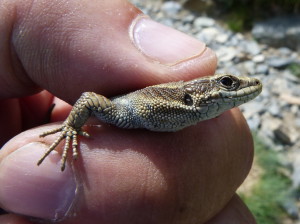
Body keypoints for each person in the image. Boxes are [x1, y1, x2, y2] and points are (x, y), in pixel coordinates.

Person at [0, 0, 256, 223]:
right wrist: (71, 127)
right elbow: (89, 99)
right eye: (227, 84)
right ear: (193, 94)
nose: (249, 86)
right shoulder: (126, 111)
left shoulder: (195, 118)